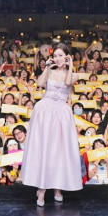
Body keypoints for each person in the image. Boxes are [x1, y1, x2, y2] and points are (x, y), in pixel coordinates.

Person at [21, 43, 83, 206]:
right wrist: (47, 67)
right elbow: (40, 84)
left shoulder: (74, 74)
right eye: (55, 55)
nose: (57, 58)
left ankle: (57, 189)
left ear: (67, 56)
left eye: (60, 55)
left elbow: (68, 82)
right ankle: (41, 190)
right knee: (45, 149)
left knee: (59, 151)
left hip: (61, 113)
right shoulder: (50, 70)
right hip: (45, 111)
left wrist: (70, 65)